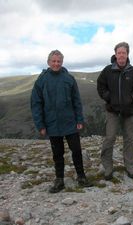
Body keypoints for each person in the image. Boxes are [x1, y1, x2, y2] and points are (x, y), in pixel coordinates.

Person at [31, 50, 92, 193]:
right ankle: (59, 180)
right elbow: (36, 104)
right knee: (57, 153)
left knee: (76, 150)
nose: (56, 64)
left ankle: (81, 177)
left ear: (62, 62)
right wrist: (40, 124)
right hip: (52, 123)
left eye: (59, 61)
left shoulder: (69, 79)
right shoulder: (41, 81)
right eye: (54, 61)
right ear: (48, 62)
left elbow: (77, 101)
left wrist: (79, 119)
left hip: (70, 122)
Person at [97, 42, 133, 180]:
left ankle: (129, 166)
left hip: (130, 111)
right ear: (115, 54)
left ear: (127, 54)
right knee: (110, 137)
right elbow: (100, 86)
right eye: (119, 53)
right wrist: (107, 97)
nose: (121, 55)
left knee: (130, 139)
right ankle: (108, 168)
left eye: (124, 53)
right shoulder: (107, 70)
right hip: (112, 110)